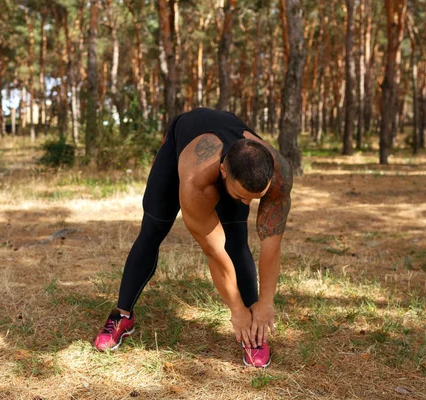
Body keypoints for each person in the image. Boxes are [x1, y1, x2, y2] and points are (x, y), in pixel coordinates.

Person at [94, 108, 292, 368]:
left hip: (233, 154)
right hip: (182, 140)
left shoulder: (280, 173)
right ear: (223, 171)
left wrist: (265, 303)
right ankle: (122, 315)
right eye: (242, 195)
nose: (247, 203)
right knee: (153, 230)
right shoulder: (196, 183)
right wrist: (236, 310)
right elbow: (215, 253)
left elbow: (271, 245)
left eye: (254, 198)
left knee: (237, 237)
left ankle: (253, 331)